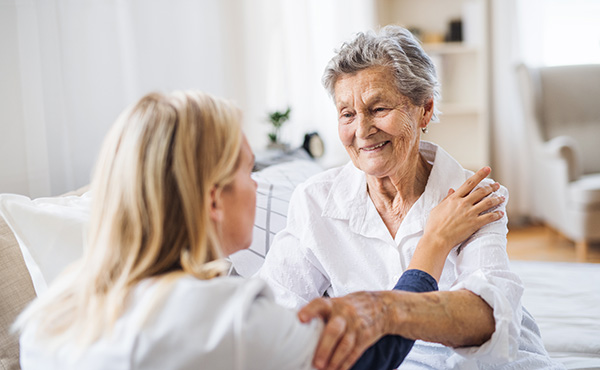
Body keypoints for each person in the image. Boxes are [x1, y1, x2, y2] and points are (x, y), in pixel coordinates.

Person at [14, 90, 504, 370]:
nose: (257, 185)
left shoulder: (48, 316)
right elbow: (369, 360)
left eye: (378, 109)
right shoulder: (230, 319)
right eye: (248, 172)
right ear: (212, 199)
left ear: (424, 110)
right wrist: (434, 245)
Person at [257, 25, 565, 369]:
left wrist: (384, 310)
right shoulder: (314, 202)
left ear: (425, 110)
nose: (361, 130)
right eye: (347, 114)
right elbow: (275, 316)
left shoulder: (472, 197)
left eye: (378, 109)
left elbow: (487, 318)